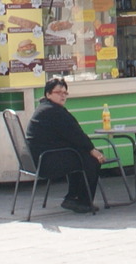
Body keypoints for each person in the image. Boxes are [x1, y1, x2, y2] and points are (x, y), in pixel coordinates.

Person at [24, 77, 106, 213]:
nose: (63, 95)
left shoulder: (46, 108)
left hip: (38, 160)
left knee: (80, 154)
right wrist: (92, 150)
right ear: (48, 94)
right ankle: (82, 201)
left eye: (65, 93)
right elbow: (75, 133)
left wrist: (88, 149)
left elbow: (72, 135)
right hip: (45, 162)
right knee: (90, 159)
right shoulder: (53, 111)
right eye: (59, 92)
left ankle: (73, 197)